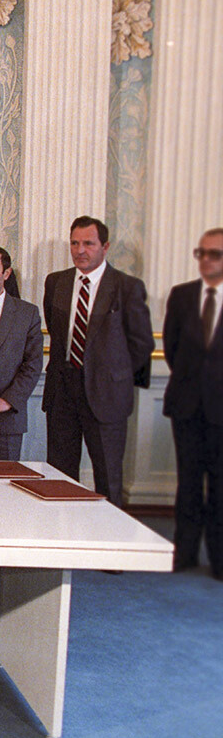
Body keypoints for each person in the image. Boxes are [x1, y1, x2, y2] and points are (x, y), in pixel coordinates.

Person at [42, 215, 154, 508]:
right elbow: (57, 332)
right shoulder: (56, 282)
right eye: (75, 243)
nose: (80, 250)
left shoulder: (127, 287)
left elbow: (141, 344)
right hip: (62, 391)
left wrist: (114, 377)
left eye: (88, 243)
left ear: (105, 246)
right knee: (60, 476)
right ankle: (62, 535)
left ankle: (110, 543)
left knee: (107, 477)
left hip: (106, 395)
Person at [163, 228, 223, 579]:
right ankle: (183, 553)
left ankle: (218, 559)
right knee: (187, 482)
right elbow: (172, 348)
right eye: (201, 252)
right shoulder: (183, 296)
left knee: (219, 485)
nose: (206, 260)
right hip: (186, 406)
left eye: (214, 254)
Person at [0, 246, 42, 459]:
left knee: (3, 484)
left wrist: (7, 401)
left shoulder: (27, 313)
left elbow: (32, 365)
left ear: (6, 273)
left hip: (8, 419)